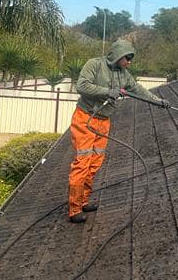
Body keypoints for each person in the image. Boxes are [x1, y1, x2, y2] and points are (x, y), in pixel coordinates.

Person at [67, 38, 170, 223]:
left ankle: (84, 201)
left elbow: (137, 89)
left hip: (103, 121)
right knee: (82, 163)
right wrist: (108, 91)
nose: (129, 62)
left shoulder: (124, 74)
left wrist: (158, 101)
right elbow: (81, 86)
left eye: (131, 59)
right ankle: (74, 210)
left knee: (94, 164)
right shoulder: (95, 65)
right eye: (127, 58)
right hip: (85, 119)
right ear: (118, 56)